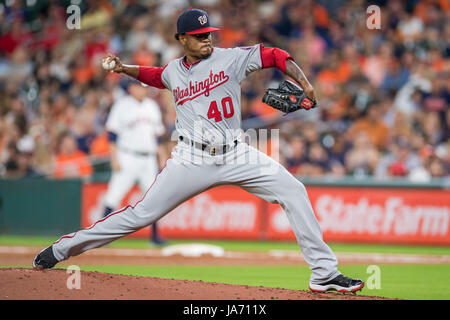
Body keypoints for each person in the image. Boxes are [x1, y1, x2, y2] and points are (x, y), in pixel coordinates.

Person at [33, 8, 364, 293]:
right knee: (139, 215)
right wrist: (123, 69)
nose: (207, 39)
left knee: (293, 190)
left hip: (237, 153)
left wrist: (305, 84)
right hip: (190, 158)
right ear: (182, 39)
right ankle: (62, 249)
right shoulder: (174, 71)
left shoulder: (231, 58)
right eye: (199, 35)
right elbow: (156, 76)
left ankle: (324, 274)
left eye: (208, 33)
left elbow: (275, 55)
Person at [102, 78, 167, 245]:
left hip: (148, 159)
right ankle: (99, 235)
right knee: (113, 196)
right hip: (127, 157)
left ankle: (154, 237)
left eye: (144, 87)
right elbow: (112, 135)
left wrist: (162, 157)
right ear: (131, 88)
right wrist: (114, 158)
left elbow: (158, 137)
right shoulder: (121, 106)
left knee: (154, 198)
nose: (142, 90)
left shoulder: (152, 106)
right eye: (139, 87)